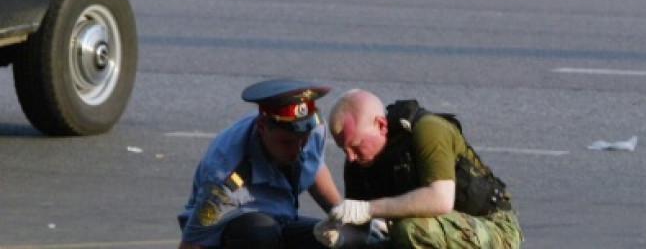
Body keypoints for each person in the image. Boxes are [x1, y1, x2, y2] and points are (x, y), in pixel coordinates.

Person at [322, 90, 522, 249]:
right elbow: (360, 232)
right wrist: (340, 237)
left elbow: (440, 200)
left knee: (411, 230)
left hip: (493, 228)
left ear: (381, 125)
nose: (350, 156)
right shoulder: (359, 163)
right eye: (343, 149)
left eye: (355, 146)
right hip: (437, 232)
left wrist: (369, 209)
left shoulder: (428, 130)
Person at [177, 80, 343, 249]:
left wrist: (344, 218)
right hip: (233, 231)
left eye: (303, 140)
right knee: (260, 233)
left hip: (282, 221)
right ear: (262, 128)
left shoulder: (313, 130)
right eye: (286, 142)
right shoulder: (226, 176)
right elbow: (193, 243)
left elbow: (314, 167)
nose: (298, 150)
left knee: (339, 239)